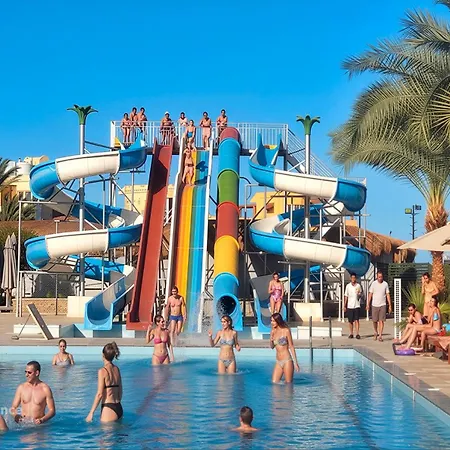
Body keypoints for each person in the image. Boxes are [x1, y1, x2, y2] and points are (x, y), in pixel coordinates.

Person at [86, 342, 123, 422]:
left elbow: (99, 394)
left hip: (108, 409)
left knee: (105, 430)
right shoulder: (117, 369)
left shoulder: (102, 371)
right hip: (119, 407)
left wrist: (91, 412)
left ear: (103, 355)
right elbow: (120, 391)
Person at [270, 313, 300, 383]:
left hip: (287, 360)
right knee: (274, 382)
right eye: (271, 321)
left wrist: (296, 363)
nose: (272, 323)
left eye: (273, 321)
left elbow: (291, 346)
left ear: (278, 321)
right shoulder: (273, 331)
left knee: (288, 383)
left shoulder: (286, 331)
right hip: (278, 361)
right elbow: (272, 347)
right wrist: (271, 340)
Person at [367, 271, 392, 342]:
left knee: (381, 320)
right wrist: (368, 304)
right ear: (377, 277)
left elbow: (387, 294)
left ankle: (380, 335)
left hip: (382, 304)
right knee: (375, 321)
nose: (380, 278)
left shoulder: (385, 284)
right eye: (379, 277)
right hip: (375, 304)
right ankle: (376, 331)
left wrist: (390, 305)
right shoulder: (373, 284)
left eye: (381, 277)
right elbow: (370, 294)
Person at [344, 272, 363, 339]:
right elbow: (346, 296)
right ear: (350, 278)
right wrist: (344, 305)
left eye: (354, 278)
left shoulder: (358, 286)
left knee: (356, 320)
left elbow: (360, 295)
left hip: (356, 305)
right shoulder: (348, 286)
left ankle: (357, 333)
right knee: (350, 321)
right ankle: (351, 333)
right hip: (350, 305)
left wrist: (359, 294)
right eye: (352, 278)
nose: (353, 279)